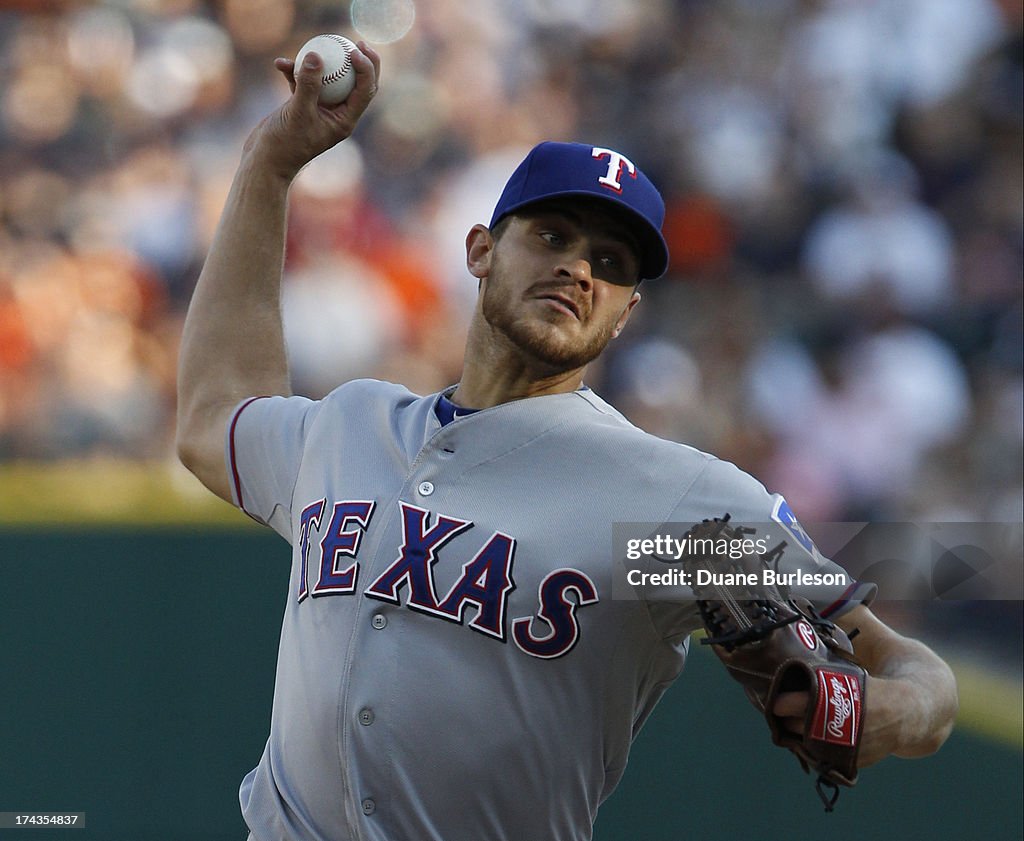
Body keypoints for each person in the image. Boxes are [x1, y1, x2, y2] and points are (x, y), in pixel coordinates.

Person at [176, 43, 958, 841]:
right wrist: (271, 163)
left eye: (611, 263)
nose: (579, 268)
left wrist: (868, 713)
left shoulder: (668, 509)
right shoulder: (350, 426)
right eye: (552, 236)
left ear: (624, 315)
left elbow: (919, 679)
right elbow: (216, 417)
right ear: (480, 249)